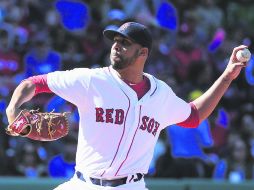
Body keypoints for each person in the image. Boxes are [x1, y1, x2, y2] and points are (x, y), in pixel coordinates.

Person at [6, 22, 248, 190]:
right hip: (84, 184)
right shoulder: (92, 80)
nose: (116, 45)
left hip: (132, 185)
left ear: (143, 52)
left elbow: (194, 116)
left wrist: (227, 76)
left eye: (125, 42)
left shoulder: (160, 93)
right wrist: (13, 108)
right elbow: (34, 83)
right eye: (115, 40)